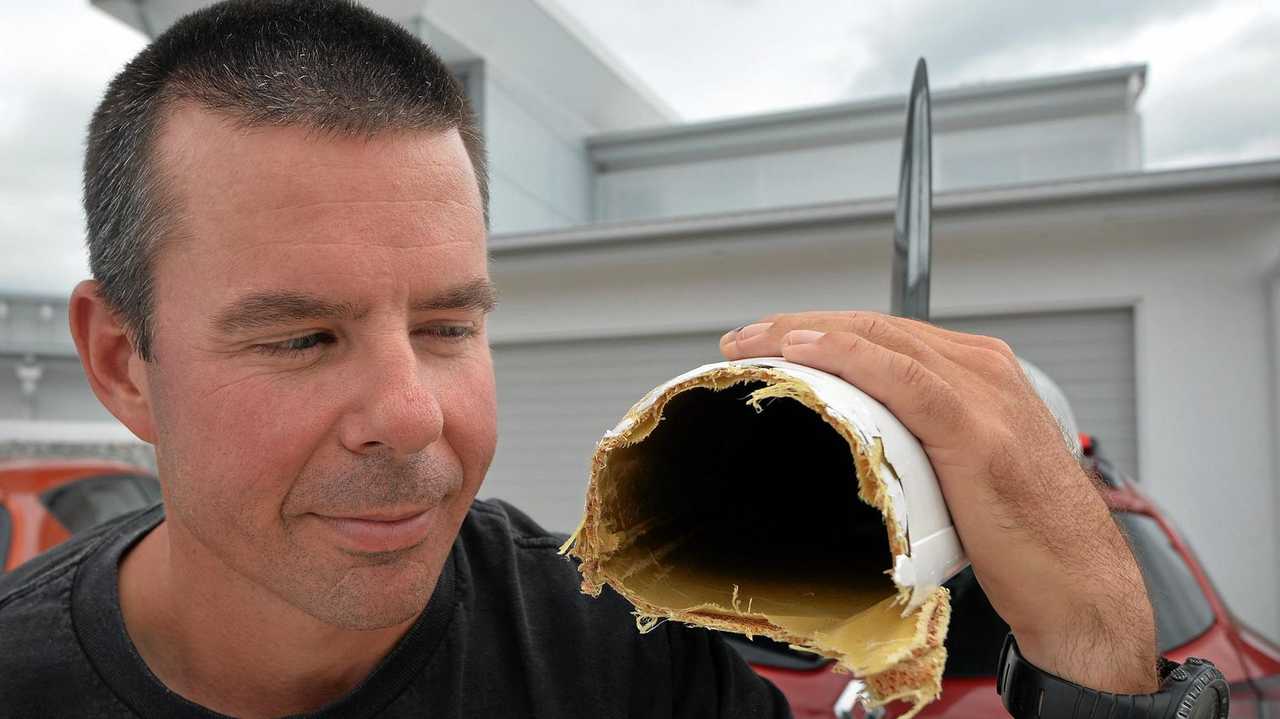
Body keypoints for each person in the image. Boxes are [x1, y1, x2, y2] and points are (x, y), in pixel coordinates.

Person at [0, 1, 1159, 716]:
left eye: (450, 325)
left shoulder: (612, 653)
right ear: (121, 361)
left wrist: (1100, 660)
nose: (411, 415)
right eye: (303, 337)